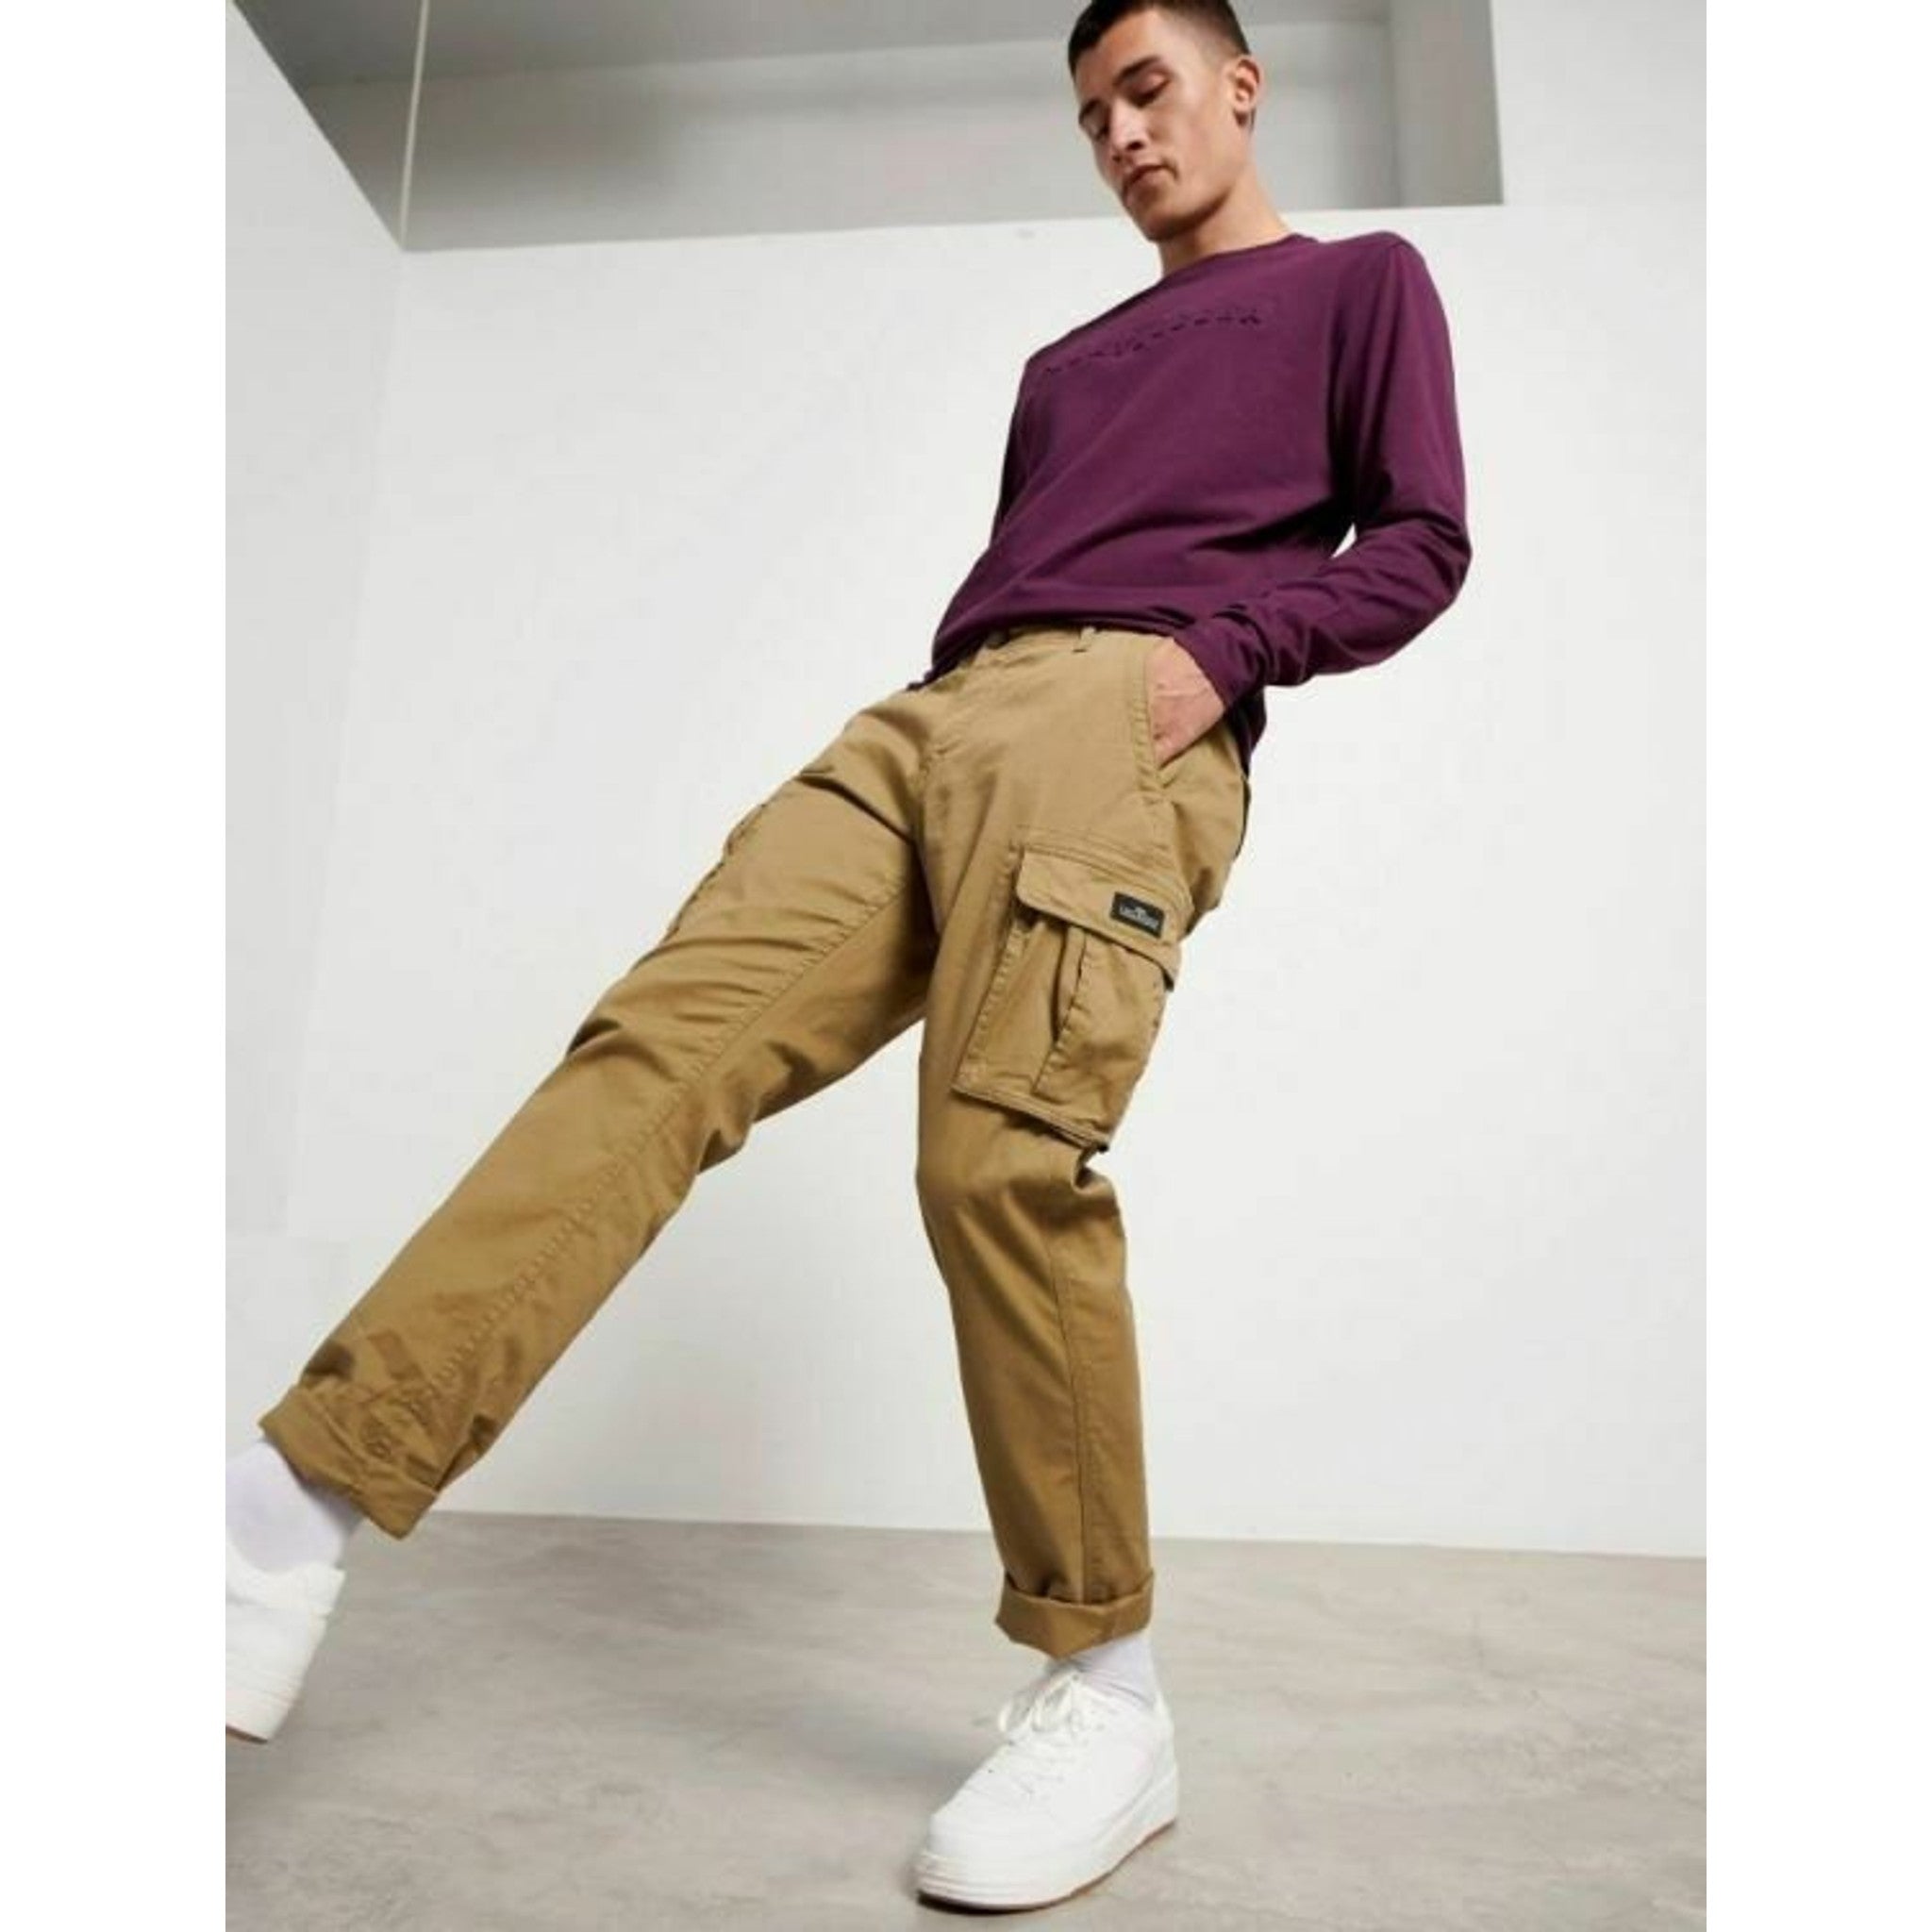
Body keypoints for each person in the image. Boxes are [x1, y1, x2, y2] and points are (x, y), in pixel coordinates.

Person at [226, 0, 1473, 1910]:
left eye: (1148, 90)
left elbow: (1421, 540)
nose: (1122, 135)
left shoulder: (1356, 285)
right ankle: (279, 1517)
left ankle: (1106, 1692)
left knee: (995, 1163)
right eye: (1091, 114)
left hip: (1124, 717)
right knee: (654, 1052)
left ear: (1240, 84)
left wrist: (1211, 662)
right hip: (930, 719)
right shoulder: (1065, 365)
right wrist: (968, 709)